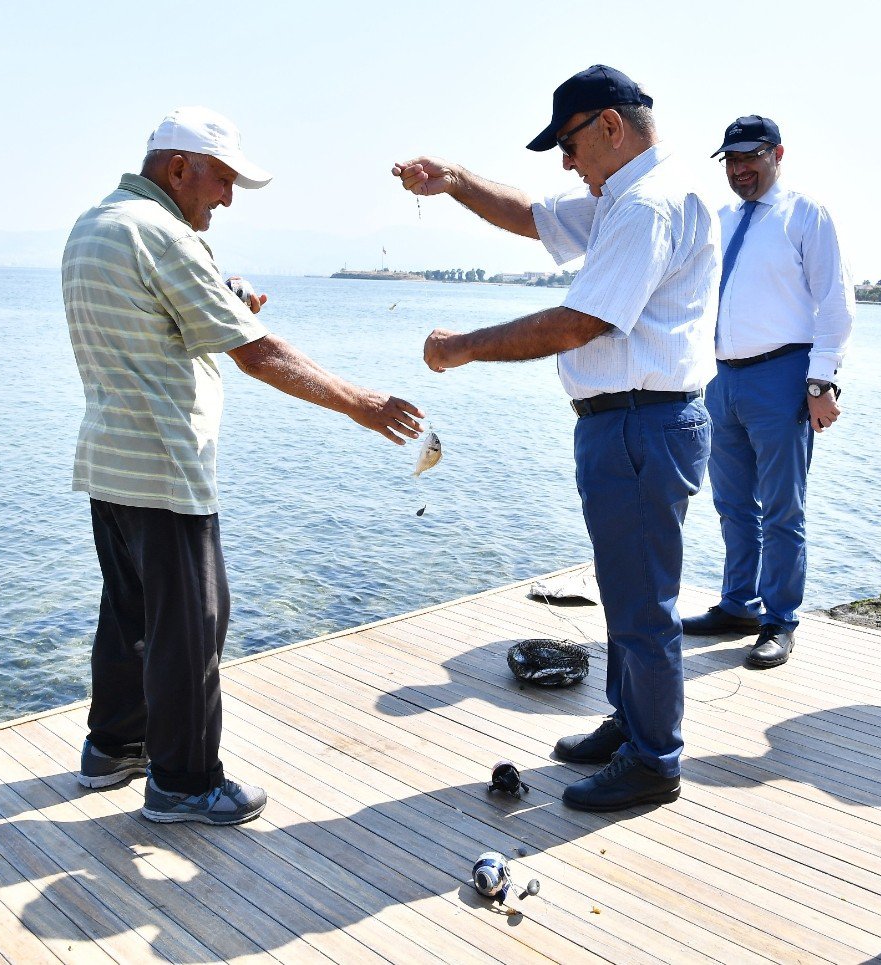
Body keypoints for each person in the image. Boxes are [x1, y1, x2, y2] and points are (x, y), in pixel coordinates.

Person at [63, 106, 423, 826]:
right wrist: (361, 401)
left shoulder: (95, 224)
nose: (226, 197)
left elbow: (153, 329)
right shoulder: (165, 234)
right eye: (221, 179)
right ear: (177, 169)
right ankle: (185, 781)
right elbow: (259, 355)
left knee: (131, 614)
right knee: (195, 622)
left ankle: (114, 748)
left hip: (110, 459)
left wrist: (228, 306)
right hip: (166, 465)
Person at [393, 65, 718, 811]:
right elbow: (535, 214)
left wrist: (464, 345)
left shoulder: (646, 206)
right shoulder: (622, 195)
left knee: (644, 603)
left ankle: (653, 760)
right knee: (625, 590)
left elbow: (582, 321)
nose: (565, 164)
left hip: (640, 422)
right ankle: (630, 722)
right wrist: (455, 179)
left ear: (610, 124)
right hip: (629, 423)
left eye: (569, 145)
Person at [681, 116, 854, 669]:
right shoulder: (723, 219)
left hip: (783, 377)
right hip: (720, 378)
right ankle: (739, 605)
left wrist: (821, 381)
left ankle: (779, 620)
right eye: (731, 160)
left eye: (750, 157)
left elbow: (835, 304)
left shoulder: (806, 214)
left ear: (778, 153)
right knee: (732, 503)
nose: (740, 169)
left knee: (783, 508)